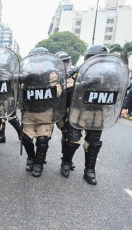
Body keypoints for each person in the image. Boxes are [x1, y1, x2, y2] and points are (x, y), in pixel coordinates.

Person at [60, 45, 112, 185]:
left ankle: (90, 170)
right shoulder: (76, 72)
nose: (95, 61)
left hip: (97, 113)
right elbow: (65, 91)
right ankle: (66, 162)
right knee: (72, 141)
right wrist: (83, 84)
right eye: (92, 57)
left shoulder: (110, 74)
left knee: (93, 144)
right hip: (78, 111)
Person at [20, 47, 64, 177]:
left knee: (42, 140)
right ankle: (31, 157)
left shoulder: (52, 75)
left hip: (45, 112)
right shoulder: (25, 75)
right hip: (29, 112)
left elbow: (57, 92)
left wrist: (42, 82)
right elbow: (18, 92)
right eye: (35, 61)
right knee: (26, 139)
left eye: (40, 61)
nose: (37, 64)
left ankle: (38, 164)